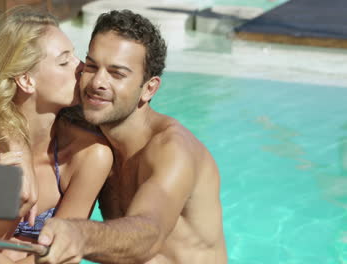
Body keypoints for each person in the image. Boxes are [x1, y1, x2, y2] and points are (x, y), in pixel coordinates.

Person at [35, 10, 227, 264]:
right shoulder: (91, 128)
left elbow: (150, 233)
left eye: (117, 74)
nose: (97, 82)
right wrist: (13, 151)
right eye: (92, 66)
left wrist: (80, 234)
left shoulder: (171, 149)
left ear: (149, 89)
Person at [0, 6, 113, 264]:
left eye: (75, 57)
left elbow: (60, 257)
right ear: (26, 80)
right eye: (64, 61)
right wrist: (12, 210)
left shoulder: (89, 155)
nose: (80, 68)